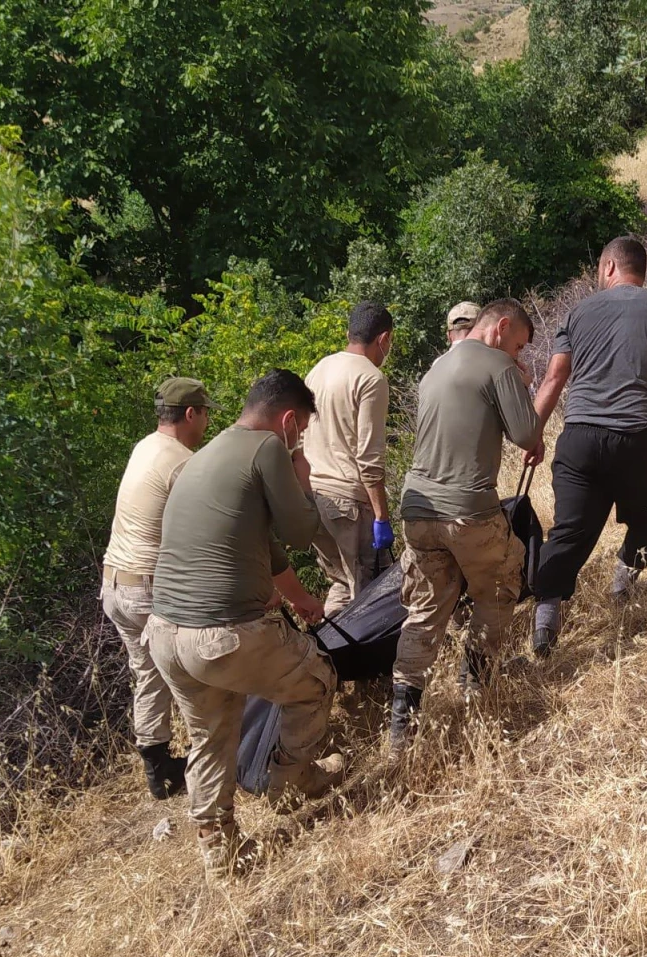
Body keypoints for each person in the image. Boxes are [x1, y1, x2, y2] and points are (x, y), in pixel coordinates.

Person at [144, 369, 341, 881]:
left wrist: (299, 599)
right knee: (317, 681)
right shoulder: (270, 448)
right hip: (223, 635)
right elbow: (299, 532)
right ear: (290, 420)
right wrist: (301, 469)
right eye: (300, 432)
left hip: (164, 634)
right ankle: (288, 781)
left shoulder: (203, 457)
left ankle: (220, 850)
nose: (299, 440)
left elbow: (265, 547)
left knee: (211, 735)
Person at [526, 237, 647, 656]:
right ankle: (622, 583)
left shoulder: (579, 312)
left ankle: (546, 620)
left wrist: (534, 434)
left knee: (568, 532)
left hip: (579, 439)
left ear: (610, 267)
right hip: (637, 442)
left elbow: (554, 378)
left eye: (600, 269)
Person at [389, 299, 539, 755]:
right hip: (467, 511)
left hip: (416, 512)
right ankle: (476, 682)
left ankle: (402, 725)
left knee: (425, 610)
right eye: (518, 346)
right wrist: (521, 381)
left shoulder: (436, 367)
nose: (517, 356)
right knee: (501, 581)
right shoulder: (498, 365)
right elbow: (528, 435)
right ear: (502, 329)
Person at [102, 377, 218, 800]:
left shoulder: (144, 446)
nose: (207, 421)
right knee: (192, 668)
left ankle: (159, 770)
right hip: (149, 588)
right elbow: (203, 533)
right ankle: (212, 755)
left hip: (115, 583)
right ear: (191, 414)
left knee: (146, 672)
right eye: (205, 413)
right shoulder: (182, 462)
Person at [304, 301, 395, 616]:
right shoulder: (370, 378)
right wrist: (382, 516)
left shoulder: (319, 369)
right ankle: (357, 663)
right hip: (348, 504)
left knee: (341, 585)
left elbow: (301, 435)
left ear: (349, 333)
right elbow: (369, 457)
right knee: (365, 594)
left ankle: (329, 657)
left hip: (313, 498)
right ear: (383, 339)